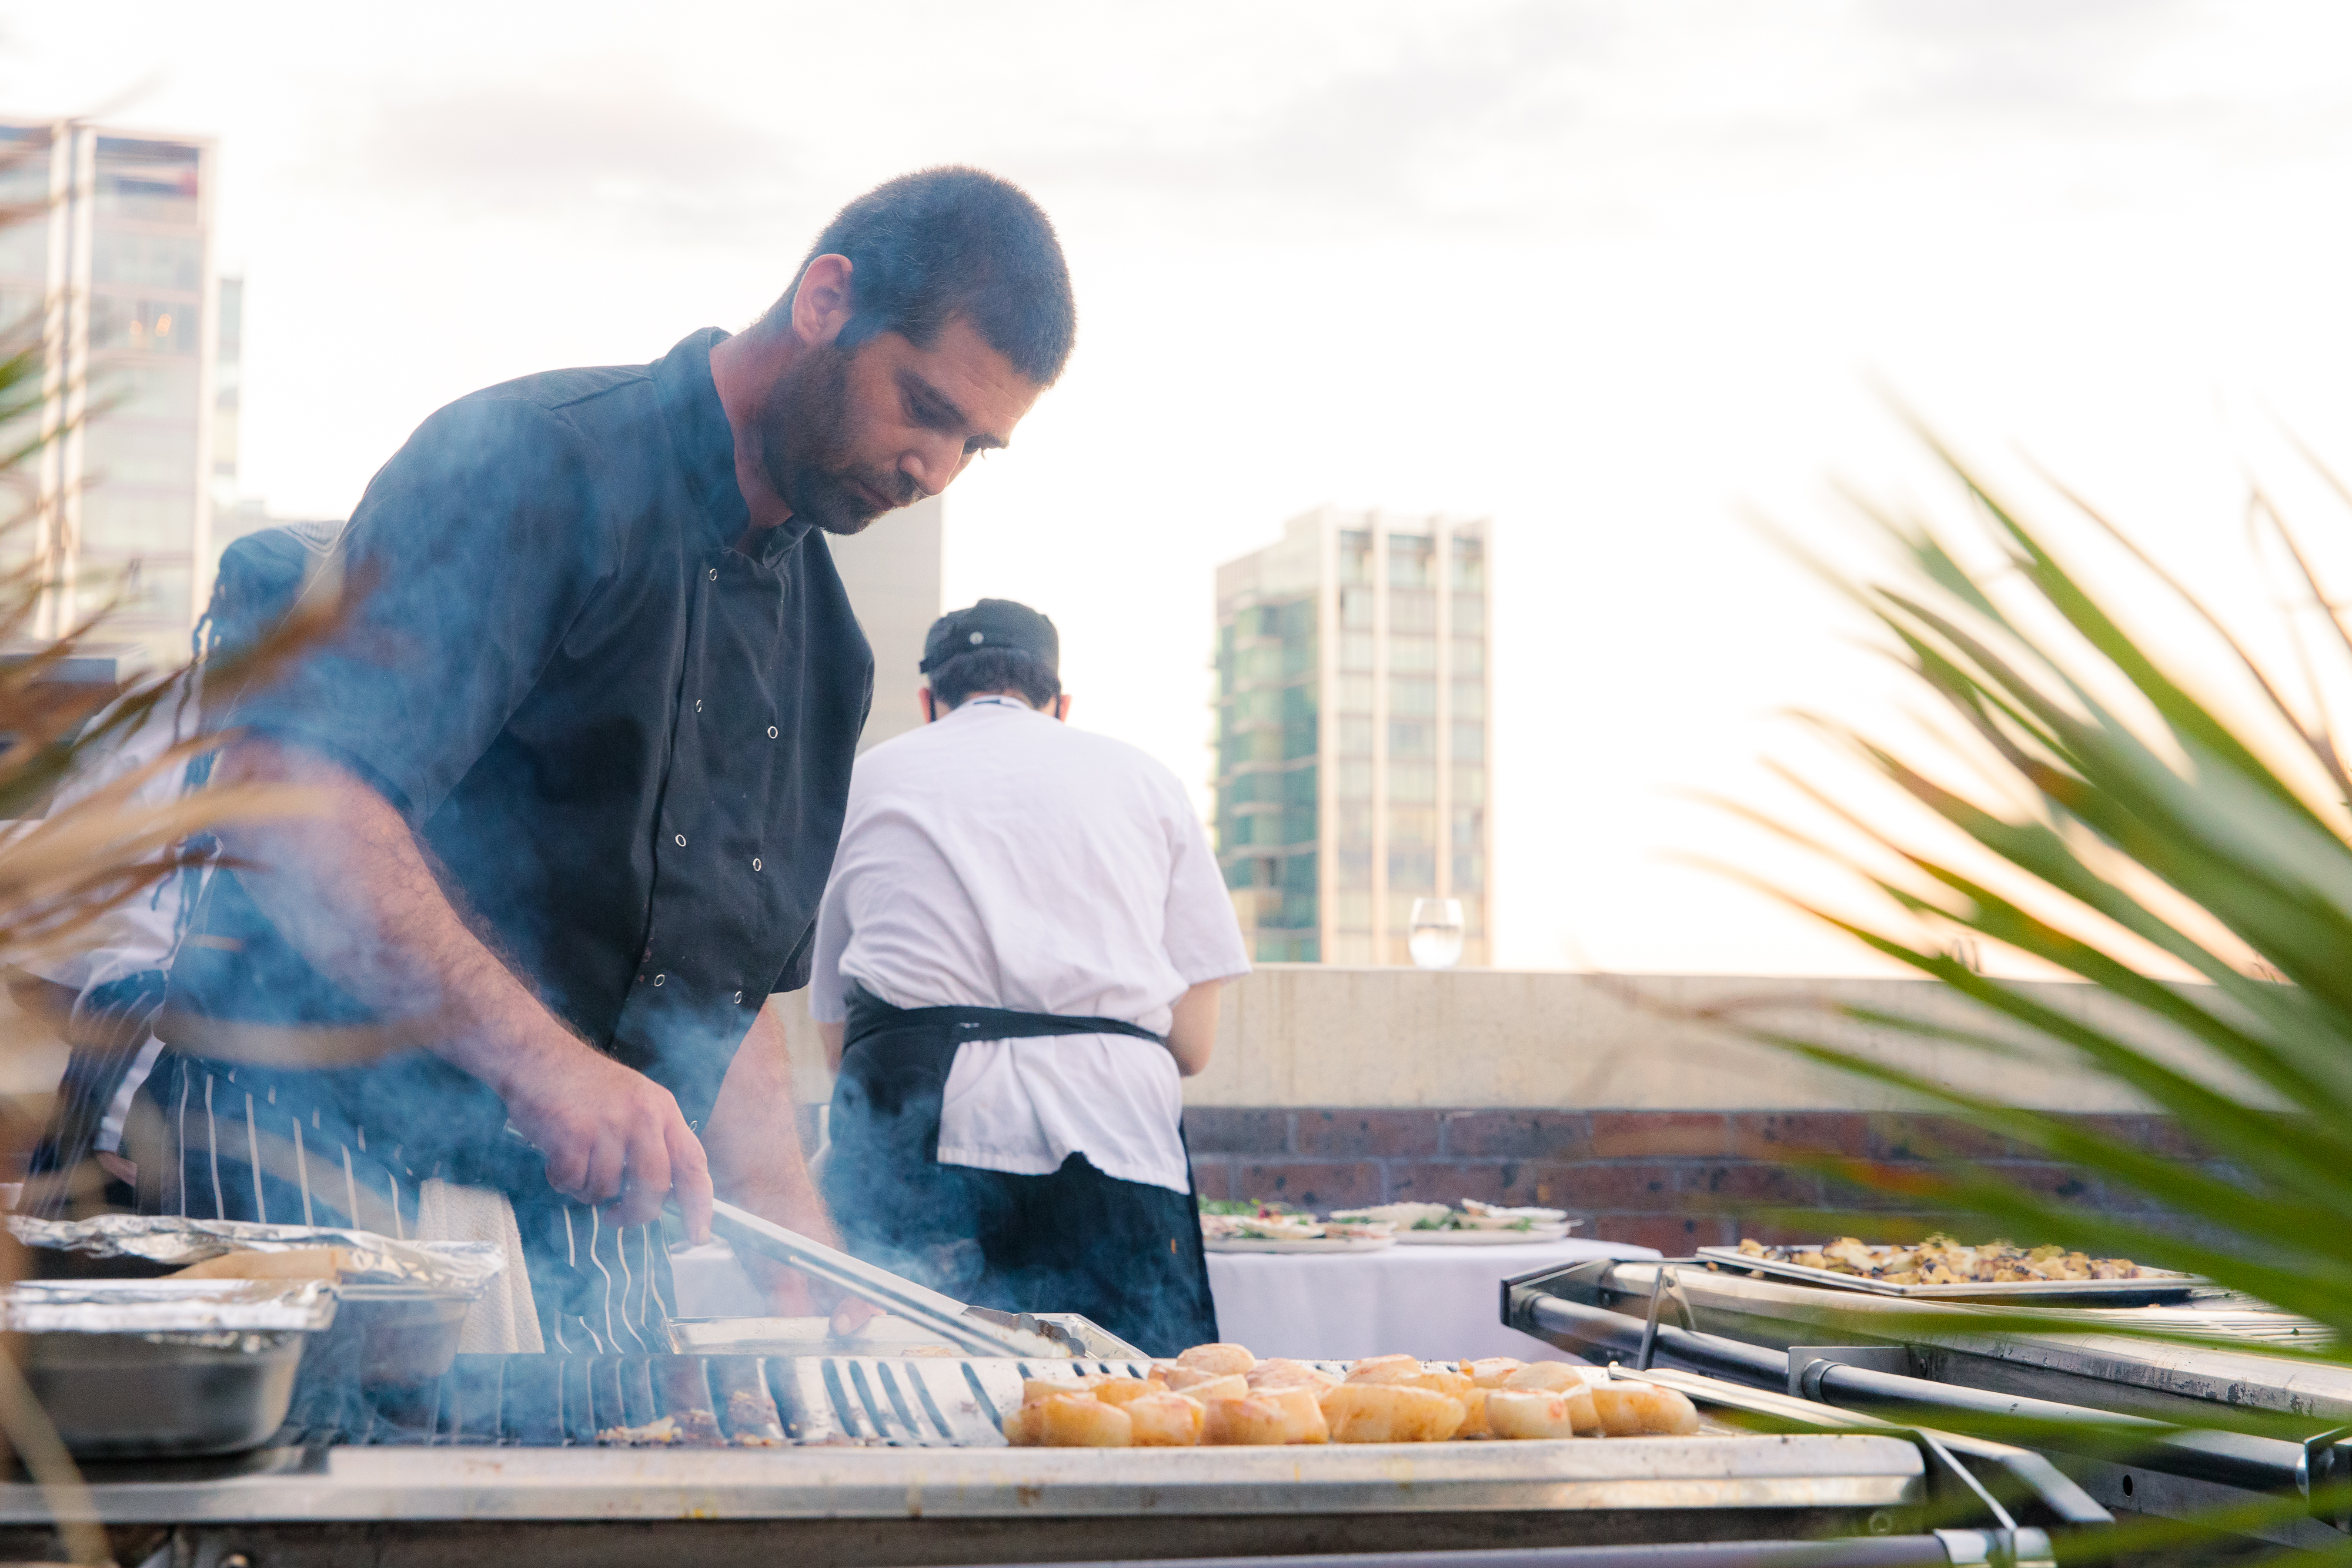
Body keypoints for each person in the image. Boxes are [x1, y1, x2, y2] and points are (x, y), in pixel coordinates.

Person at [139, 168, 1076, 1352]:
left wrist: (797, 1229)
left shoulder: (829, 651)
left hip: (567, 1222)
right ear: (827, 298)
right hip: (308, 1160)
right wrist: (550, 1068)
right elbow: (299, 805)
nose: (933, 468)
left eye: (972, 446)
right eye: (923, 405)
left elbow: (718, 995)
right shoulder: (538, 464)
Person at [810, 599, 1250, 1355]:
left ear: (928, 704)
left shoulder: (862, 780)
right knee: (1129, 1405)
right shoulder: (1147, 779)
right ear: (1060, 704)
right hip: (1113, 1133)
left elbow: (838, 1041)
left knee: (905, 1396)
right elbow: (1193, 1045)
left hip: (912, 1118)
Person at [11, 521, 340, 1218]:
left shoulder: (145, 721)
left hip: (181, 1127)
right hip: (226, 1135)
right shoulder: (348, 740)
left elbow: (34, 956)